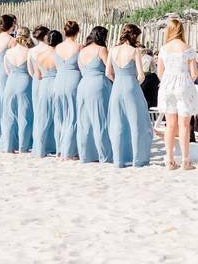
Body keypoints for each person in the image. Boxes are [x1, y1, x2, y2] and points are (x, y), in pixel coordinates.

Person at [157, 18, 198, 170]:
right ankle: (185, 160)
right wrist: (185, 79)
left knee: (170, 124)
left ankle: (169, 160)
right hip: (183, 83)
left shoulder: (164, 49)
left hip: (168, 85)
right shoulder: (187, 48)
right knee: (184, 125)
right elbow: (195, 73)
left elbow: (159, 73)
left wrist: (169, 80)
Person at [106, 24, 153, 167]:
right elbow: (141, 75)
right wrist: (133, 84)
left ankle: (119, 159)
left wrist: (118, 82)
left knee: (117, 123)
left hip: (117, 88)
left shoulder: (112, 50)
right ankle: (137, 159)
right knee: (136, 123)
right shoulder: (135, 51)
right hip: (131, 87)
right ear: (134, 36)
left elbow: (108, 73)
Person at [74, 23, 110, 163]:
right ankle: (103, 154)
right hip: (98, 84)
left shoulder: (82, 51)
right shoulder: (101, 50)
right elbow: (109, 70)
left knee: (84, 121)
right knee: (100, 120)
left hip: (83, 85)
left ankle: (86, 154)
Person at [0, 27, 34, 154]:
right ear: (28, 36)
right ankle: (23, 147)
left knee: (9, 115)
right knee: (25, 116)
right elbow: (31, 71)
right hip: (24, 82)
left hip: (10, 83)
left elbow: (7, 71)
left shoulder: (8, 53)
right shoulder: (29, 52)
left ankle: (8, 146)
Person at [53, 20, 83, 160]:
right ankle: (70, 151)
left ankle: (60, 149)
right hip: (73, 79)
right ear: (77, 32)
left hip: (59, 80)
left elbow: (56, 65)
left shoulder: (57, 48)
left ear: (64, 32)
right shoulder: (78, 47)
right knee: (73, 115)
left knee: (60, 115)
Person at [32, 30, 61, 158]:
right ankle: (58, 147)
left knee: (42, 118)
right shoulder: (59, 55)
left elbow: (37, 75)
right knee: (58, 118)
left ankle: (40, 149)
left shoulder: (40, 55)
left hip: (44, 85)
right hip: (56, 83)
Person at [0, 14, 17, 145]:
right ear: (11, 25)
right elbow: (15, 59)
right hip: (7, 72)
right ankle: (8, 136)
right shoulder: (11, 40)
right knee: (8, 103)